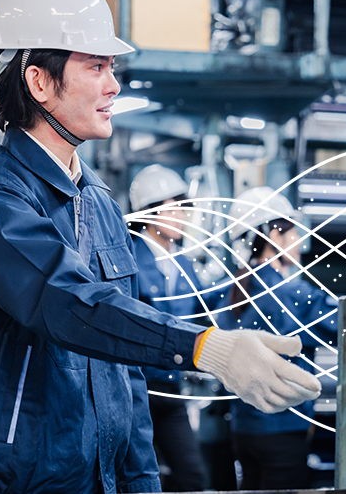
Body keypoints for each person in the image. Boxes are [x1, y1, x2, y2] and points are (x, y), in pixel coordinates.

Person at [0, 0, 320, 494]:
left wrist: (141, 481)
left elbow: (122, 367)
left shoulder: (100, 202)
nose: (114, 85)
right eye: (97, 66)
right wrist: (206, 348)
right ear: (39, 81)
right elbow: (67, 302)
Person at [215, 187, 338, 489]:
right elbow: (344, 325)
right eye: (292, 232)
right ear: (271, 234)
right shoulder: (289, 294)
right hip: (283, 430)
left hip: (244, 429)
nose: (299, 244)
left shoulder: (230, 292)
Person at [127, 164, 229, 490]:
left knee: (192, 477)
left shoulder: (183, 263)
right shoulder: (128, 255)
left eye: (185, 208)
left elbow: (201, 310)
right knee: (136, 478)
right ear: (149, 211)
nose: (182, 217)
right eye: (173, 208)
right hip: (132, 389)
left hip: (170, 389)